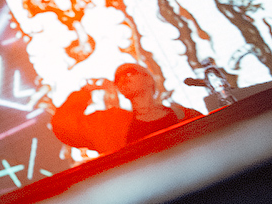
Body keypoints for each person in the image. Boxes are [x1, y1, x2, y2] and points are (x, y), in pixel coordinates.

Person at [50, 63, 203, 155]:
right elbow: (63, 125)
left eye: (129, 72)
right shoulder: (110, 124)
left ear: (149, 79)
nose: (123, 79)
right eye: (118, 79)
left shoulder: (185, 115)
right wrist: (85, 92)